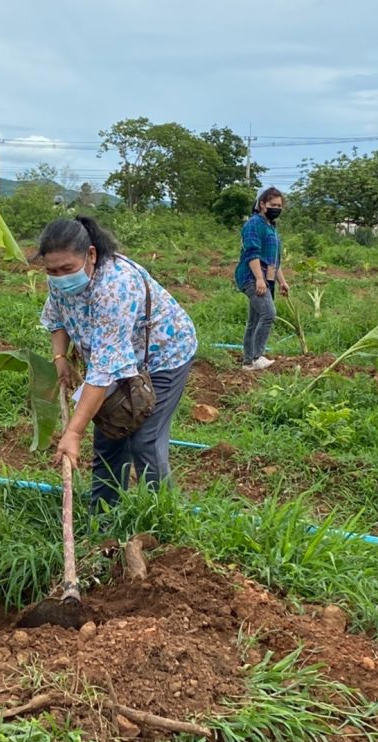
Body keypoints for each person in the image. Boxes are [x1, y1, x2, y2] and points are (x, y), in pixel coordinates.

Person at [39, 216, 198, 515]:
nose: (59, 277)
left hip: (162, 357)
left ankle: (163, 520)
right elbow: (56, 316)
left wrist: (72, 433)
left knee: (144, 442)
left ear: (91, 255)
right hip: (113, 357)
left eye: (67, 269)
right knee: (110, 436)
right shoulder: (58, 279)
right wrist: (60, 358)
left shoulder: (116, 285)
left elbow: (102, 372)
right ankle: (103, 520)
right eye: (52, 270)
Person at [235, 187, 290, 371]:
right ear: (262, 205)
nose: (277, 208)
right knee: (268, 314)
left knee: (255, 320)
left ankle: (248, 362)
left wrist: (282, 281)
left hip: (267, 278)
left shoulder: (271, 227)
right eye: (273, 205)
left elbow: (274, 260)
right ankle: (257, 356)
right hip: (252, 276)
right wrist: (259, 278)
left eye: (279, 205)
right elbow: (252, 254)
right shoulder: (254, 224)